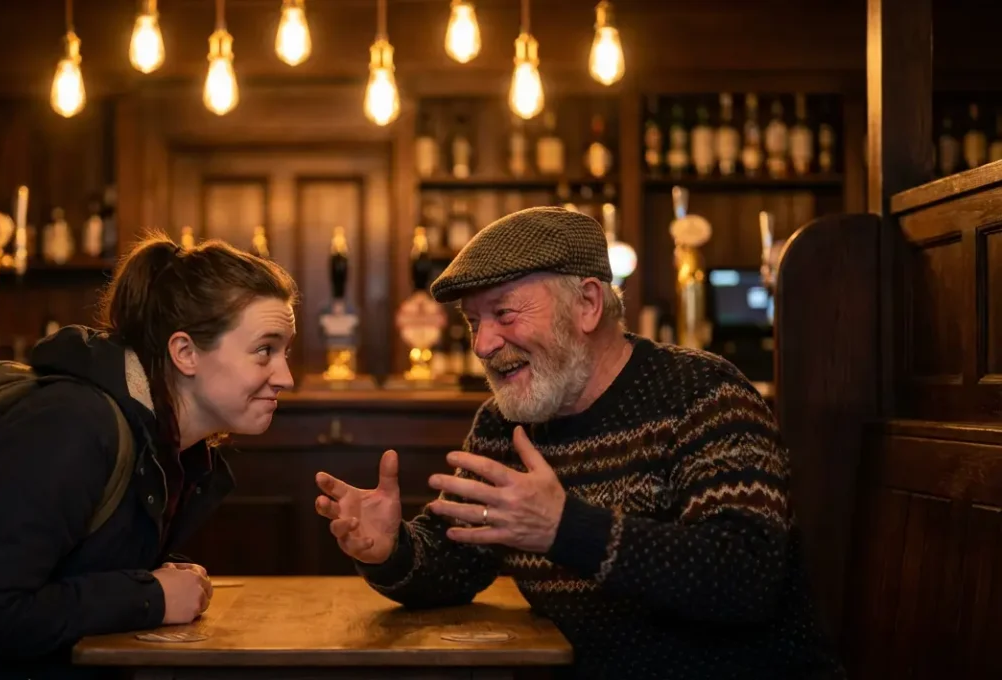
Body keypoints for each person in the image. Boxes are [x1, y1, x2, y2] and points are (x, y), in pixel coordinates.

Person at [314, 207, 844, 679]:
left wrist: (564, 528)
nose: (482, 344)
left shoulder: (702, 394)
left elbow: (745, 577)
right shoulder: (504, 424)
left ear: (588, 303)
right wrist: (390, 550)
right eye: (473, 322)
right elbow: (455, 560)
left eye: (504, 313)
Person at [0, 233, 298, 680]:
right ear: (185, 352)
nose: (286, 377)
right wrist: (150, 596)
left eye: (284, 352)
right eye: (264, 351)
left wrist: (157, 581)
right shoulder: (71, 426)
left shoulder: (170, 449)